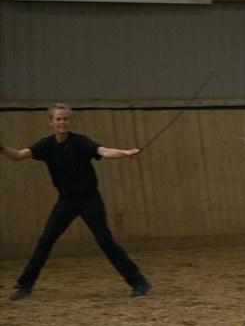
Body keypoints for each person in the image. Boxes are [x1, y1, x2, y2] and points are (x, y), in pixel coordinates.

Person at [0, 103, 151, 300]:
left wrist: (125, 153)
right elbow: (19, 156)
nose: (62, 122)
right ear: (51, 122)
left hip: (89, 199)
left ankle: (139, 282)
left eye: (65, 119)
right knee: (46, 240)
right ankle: (25, 286)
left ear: (68, 121)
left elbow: (104, 151)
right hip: (66, 202)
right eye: (58, 119)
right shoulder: (45, 145)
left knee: (105, 240)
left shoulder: (80, 142)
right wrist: (2, 147)